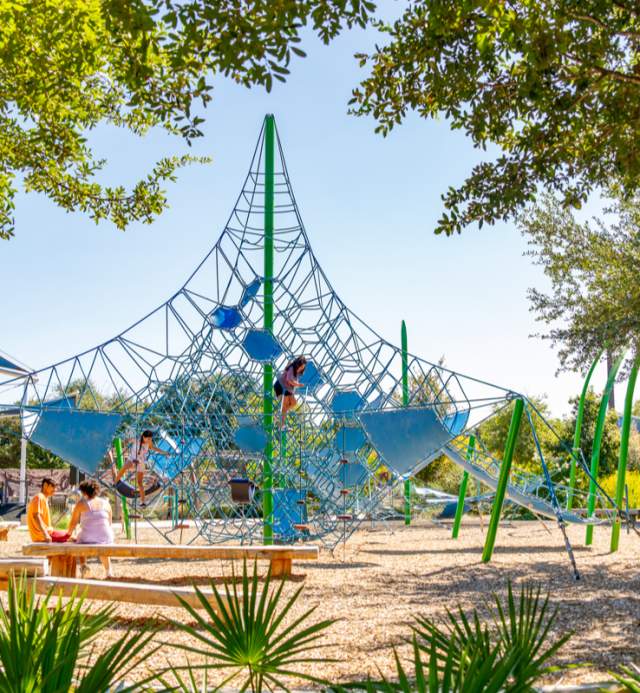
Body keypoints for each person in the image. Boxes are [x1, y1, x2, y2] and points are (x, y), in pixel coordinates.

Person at [67, 479, 115, 579]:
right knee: (102, 540)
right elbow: (109, 524)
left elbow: (73, 523)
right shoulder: (106, 503)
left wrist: (68, 535)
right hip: (106, 538)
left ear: (84, 492)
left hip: (87, 538)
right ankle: (108, 571)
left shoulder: (81, 504)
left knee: (79, 539)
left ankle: (84, 567)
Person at [113, 429, 169, 506]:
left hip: (140, 462)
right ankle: (115, 482)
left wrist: (164, 452)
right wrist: (128, 438)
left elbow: (154, 448)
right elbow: (127, 440)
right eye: (148, 438)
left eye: (150, 439)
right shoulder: (137, 440)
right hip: (132, 459)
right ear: (143, 437)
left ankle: (142, 502)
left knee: (139, 483)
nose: (149, 440)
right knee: (124, 468)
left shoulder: (149, 443)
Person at [273, 356, 307, 424]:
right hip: (281, 387)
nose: (301, 368)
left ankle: (277, 415)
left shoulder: (297, 373)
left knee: (293, 403)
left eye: (303, 367)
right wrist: (298, 384)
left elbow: (292, 383)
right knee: (285, 406)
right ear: (298, 364)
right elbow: (289, 380)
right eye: (301, 366)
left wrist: (296, 385)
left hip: (288, 390)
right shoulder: (291, 368)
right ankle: (281, 424)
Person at [27, 477, 56, 542]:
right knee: (71, 538)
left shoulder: (44, 498)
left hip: (46, 534)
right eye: (53, 486)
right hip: (42, 536)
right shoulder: (39, 497)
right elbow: (36, 516)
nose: (54, 490)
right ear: (45, 485)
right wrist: (45, 534)